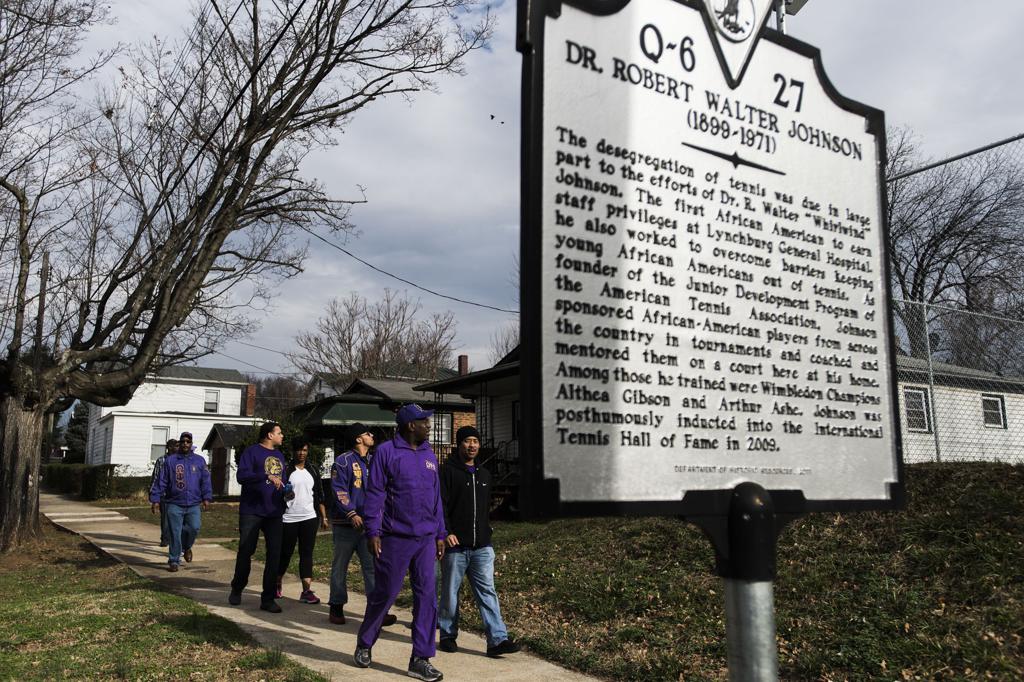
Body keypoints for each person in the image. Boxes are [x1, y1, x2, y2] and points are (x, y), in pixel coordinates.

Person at [354, 404, 446, 682]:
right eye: (424, 421)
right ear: (410, 425)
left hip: (426, 539)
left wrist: (441, 533)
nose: (429, 425)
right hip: (395, 538)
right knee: (385, 594)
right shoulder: (386, 452)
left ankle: (420, 658)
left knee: (427, 598)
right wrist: (373, 531)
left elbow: (436, 498)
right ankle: (365, 643)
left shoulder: (430, 454)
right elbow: (375, 494)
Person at [438, 426, 521, 657]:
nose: (472, 445)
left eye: (475, 441)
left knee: (487, 592)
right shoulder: (447, 472)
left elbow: (485, 509)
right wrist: (446, 532)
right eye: (467, 441)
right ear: (459, 444)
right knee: (450, 592)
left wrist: (487, 530)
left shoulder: (484, 474)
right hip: (456, 546)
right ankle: (447, 634)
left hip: (482, 546)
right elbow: (441, 506)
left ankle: (497, 640)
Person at [327, 423, 397, 627]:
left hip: (370, 527)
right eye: (367, 433)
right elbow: (339, 489)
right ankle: (336, 606)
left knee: (373, 568)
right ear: (358, 438)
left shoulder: (375, 461)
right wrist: (350, 512)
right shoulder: (342, 461)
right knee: (340, 566)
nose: (372, 435)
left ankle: (377, 611)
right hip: (345, 526)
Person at [229, 421, 288, 613]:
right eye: (279, 433)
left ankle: (268, 598)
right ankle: (237, 587)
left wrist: (288, 492)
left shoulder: (279, 456)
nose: (282, 436)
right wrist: (265, 476)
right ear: (270, 435)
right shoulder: (252, 452)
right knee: (246, 550)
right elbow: (242, 476)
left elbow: (282, 481)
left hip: (274, 512)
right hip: (252, 511)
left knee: (274, 555)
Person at [149, 432, 212, 572]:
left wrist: (206, 497)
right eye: (182, 441)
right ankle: (174, 560)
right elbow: (161, 481)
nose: (185, 444)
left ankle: (187, 546)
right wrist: (155, 499)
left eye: (188, 441)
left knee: (194, 528)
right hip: (174, 502)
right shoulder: (171, 461)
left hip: (194, 503)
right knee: (174, 532)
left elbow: (205, 481)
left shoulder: (199, 461)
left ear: (191, 444)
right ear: (179, 443)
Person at [276, 440, 328, 604]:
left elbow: (319, 494)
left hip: (309, 517)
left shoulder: (312, 470)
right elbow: (278, 492)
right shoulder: (286, 469)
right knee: (286, 553)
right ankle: (277, 583)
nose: (301, 453)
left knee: (307, 554)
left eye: (304, 450)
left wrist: (324, 517)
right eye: (299, 450)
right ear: (293, 451)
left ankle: (306, 591)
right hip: (288, 518)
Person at [151, 438, 178, 547]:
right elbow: (156, 478)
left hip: (176, 494)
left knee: (176, 518)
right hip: (164, 494)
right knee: (165, 518)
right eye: (175, 446)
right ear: (169, 447)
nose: (178, 448)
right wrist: (154, 497)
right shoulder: (161, 460)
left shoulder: (180, 460)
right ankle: (165, 539)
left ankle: (174, 539)